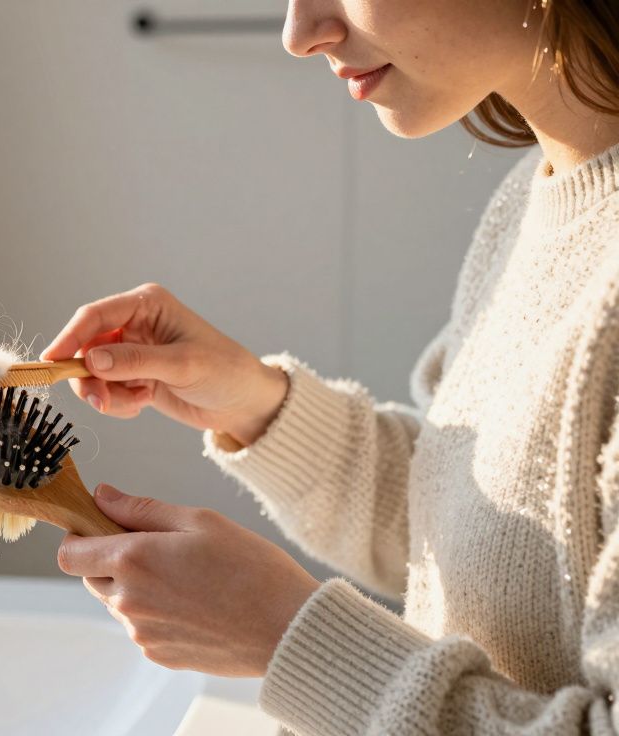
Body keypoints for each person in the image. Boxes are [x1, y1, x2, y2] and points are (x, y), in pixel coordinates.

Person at [46, 1, 619, 733]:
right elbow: (500, 546)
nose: (299, 32)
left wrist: (286, 636)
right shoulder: (534, 200)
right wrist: (257, 408)